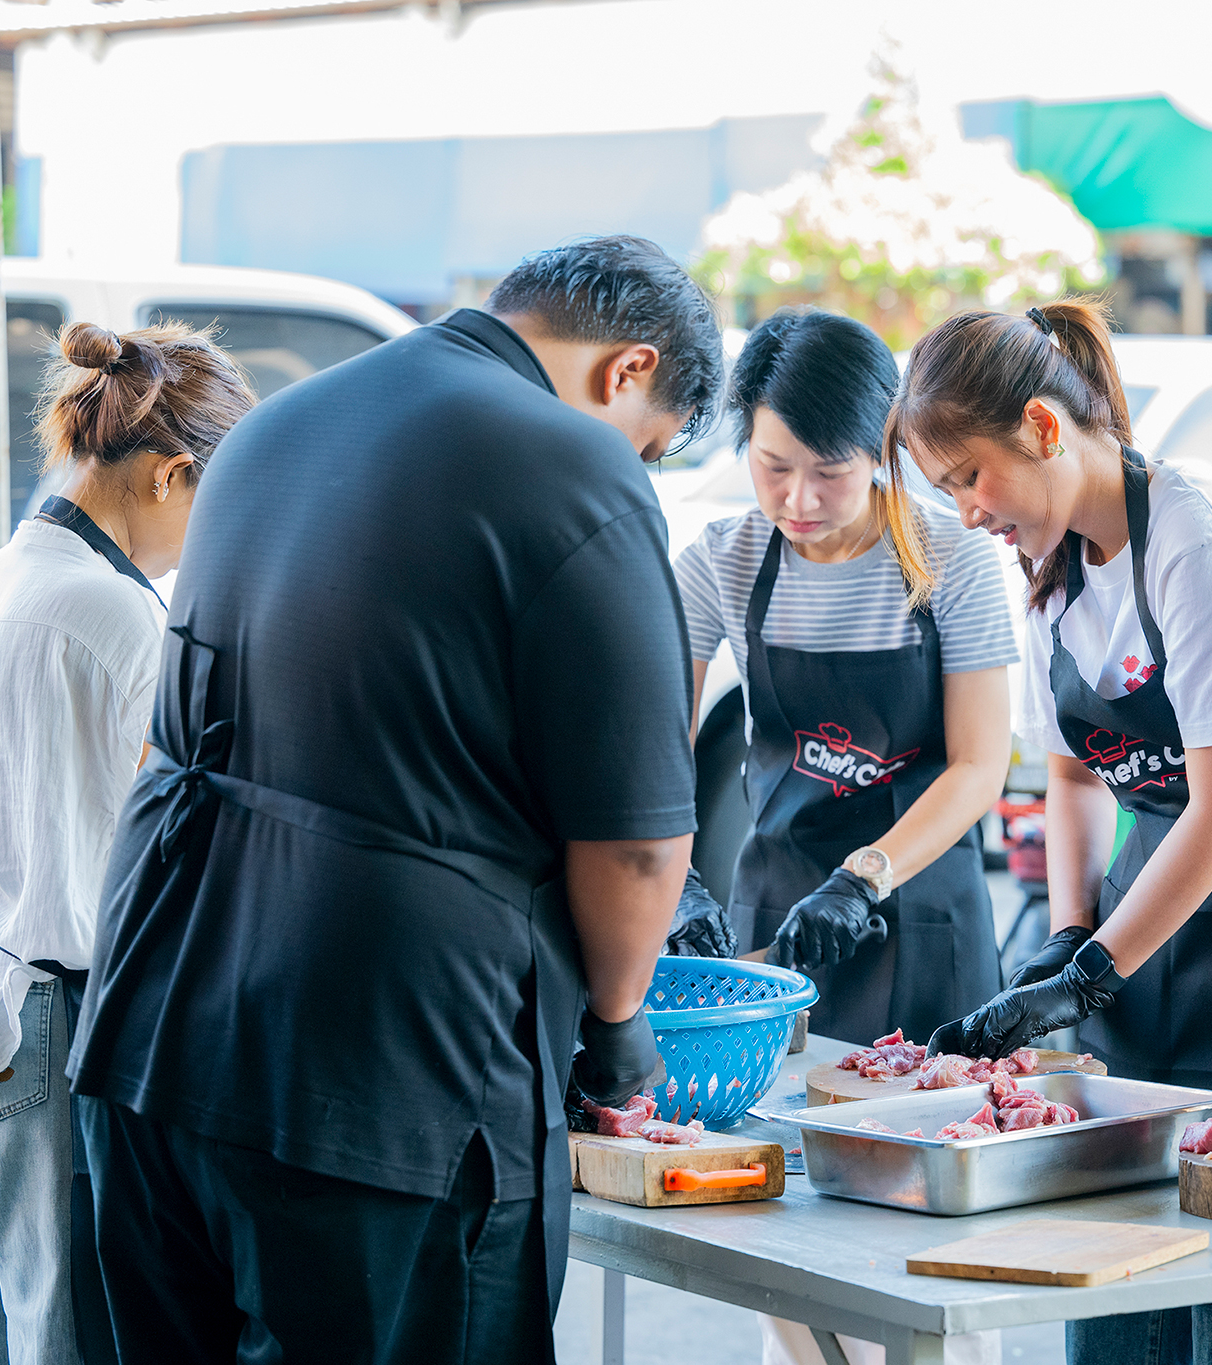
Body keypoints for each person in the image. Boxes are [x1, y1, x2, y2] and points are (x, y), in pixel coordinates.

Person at [65, 236, 723, 1362]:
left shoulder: (276, 424)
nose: (640, 466)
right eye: (654, 445)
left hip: (153, 1032)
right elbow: (635, 850)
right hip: (382, 1081)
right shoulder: (573, 467)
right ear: (628, 371)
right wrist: (617, 1031)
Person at [893, 301, 1212, 1364]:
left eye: (968, 478)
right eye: (945, 493)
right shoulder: (1050, 579)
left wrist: (1091, 974)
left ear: (1039, 425)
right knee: (1118, 1279)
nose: (968, 513)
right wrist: (1070, 931)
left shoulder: (1195, 535)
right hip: (1147, 940)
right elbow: (1072, 774)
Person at [0, 321, 252, 1363]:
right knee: (68, 1329)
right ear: (175, 475)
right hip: (49, 1018)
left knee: (3, 1311)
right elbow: (158, 861)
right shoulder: (118, 616)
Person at [674, 307, 1016, 1051]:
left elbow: (979, 764)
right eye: (773, 467)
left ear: (881, 451)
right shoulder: (718, 563)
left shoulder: (954, 559)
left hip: (921, 907)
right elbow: (656, 747)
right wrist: (673, 881)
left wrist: (864, 877)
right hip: (777, 908)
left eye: (830, 472)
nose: (798, 500)